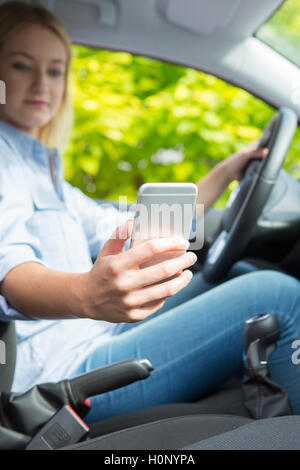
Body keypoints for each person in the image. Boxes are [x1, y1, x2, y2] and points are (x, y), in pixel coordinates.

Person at [0, 1, 300, 425]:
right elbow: (7, 267)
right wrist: (87, 294)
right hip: (67, 374)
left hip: (98, 336)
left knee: (240, 276)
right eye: (21, 66)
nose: (42, 84)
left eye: (54, 71)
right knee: (278, 296)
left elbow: (122, 227)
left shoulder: (39, 165)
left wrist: (225, 174)